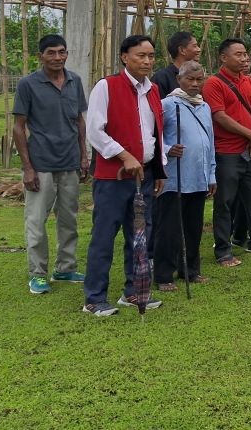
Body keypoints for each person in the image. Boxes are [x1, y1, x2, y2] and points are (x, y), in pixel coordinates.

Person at [82, 34, 167, 316]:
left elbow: (156, 133)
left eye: (151, 56)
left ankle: (133, 291)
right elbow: (95, 131)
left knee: (139, 236)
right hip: (113, 178)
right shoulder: (107, 86)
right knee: (104, 236)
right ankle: (94, 298)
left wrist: (159, 169)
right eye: (141, 55)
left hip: (144, 177)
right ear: (124, 57)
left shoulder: (153, 90)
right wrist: (124, 154)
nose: (147, 61)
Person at [12, 34, 89, 295]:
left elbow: (79, 120)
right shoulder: (28, 84)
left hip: (69, 161)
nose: (57, 57)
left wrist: (83, 155)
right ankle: (38, 273)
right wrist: (28, 167)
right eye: (51, 53)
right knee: (36, 220)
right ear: (40, 56)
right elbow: (19, 127)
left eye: (61, 52)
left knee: (68, 218)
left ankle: (65, 267)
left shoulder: (74, 81)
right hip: (41, 163)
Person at [203, 38, 251, 265]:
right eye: (239, 54)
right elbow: (219, 116)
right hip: (226, 152)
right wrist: (250, 134)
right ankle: (224, 250)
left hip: (250, 150)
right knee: (225, 202)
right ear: (224, 58)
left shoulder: (247, 82)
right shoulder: (213, 84)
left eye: (245, 53)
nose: (244, 58)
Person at [155, 61, 216, 291]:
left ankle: (191, 270)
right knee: (169, 229)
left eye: (199, 79)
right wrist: (169, 148)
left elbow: (209, 142)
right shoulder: (168, 104)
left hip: (198, 177)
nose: (194, 84)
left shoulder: (205, 107)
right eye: (189, 79)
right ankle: (163, 275)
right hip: (174, 178)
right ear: (179, 80)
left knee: (194, 227)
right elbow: (154, 136)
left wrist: (212, 174)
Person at [151, 30, 201, 97]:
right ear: (182, 50)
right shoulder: (162, 78)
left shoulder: (198, 76)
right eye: (194, 46)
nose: (199, 50)